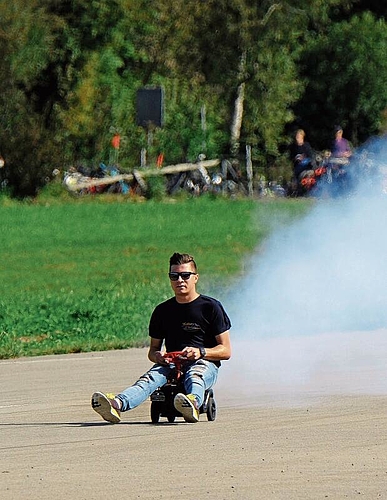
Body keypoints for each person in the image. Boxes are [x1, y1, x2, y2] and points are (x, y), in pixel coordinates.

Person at [91, 252, 232, 424]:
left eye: (185, 275)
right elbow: (153, 350)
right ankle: (117, 404)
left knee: (195, 375)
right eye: (174, 276)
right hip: (171, 362)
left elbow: (225, 350)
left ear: (195, 278)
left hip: (203, 362)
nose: (180, 280)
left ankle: (193, 403)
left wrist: (200, 352)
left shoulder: (211, 307)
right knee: (149, 379)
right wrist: (158, 357)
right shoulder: (162, 311)